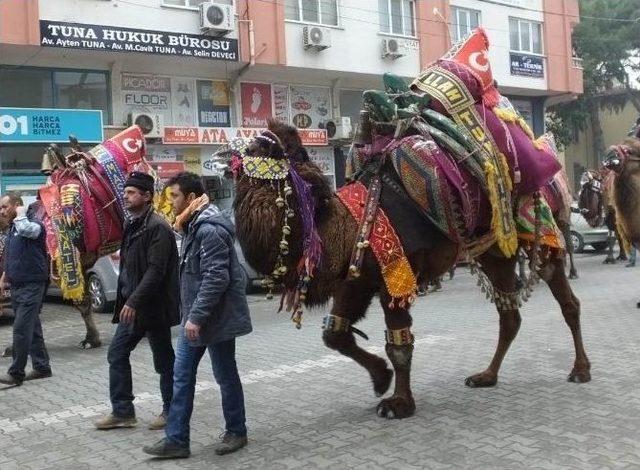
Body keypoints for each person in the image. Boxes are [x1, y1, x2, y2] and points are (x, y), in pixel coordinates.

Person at [143, 172, 252, 459]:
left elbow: (216, 278)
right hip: (197, 318)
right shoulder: (192, 226)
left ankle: (236, 431)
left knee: (224, 375)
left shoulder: (209, 230)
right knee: (182, 376)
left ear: (191, 198)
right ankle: (177, 440)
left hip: (212, 320)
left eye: (175, 197)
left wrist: (196, 317)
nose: (172, 203)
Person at [95, 172, 179, 431]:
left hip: (153, 307)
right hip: (134, 307)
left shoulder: (158, 227)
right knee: (117, 353)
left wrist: (132, 301)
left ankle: (171, 410)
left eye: (132, 192)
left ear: (146, 196)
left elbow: (156, 272)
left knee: (163, 359)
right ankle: (123, 411)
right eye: (126, 192)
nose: (126, 196)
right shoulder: (133, 224)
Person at [0, 193, 51, 386]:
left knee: (21, 328)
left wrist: (21, 213)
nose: (2, 211)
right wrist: (4, 277)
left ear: (18, 206)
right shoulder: (13, 229)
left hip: (32, 284)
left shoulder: (33, 224)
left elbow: (27, 229)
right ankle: (42, 367)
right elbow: (12, 256)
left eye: (5, 207)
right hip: (17, 285)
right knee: (33, 327)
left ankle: (16, 373)